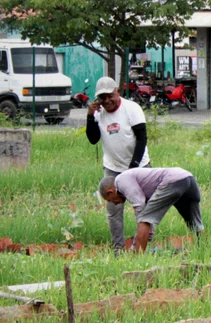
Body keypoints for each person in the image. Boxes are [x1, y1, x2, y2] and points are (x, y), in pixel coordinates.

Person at [86, 77, 150, 250]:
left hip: (139, 166)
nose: (107, 101)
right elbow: (93, 139)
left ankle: (145, 247)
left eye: (110, 95)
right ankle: (118, 250)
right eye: (102, 97)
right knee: (114, 212)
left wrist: (133, 168)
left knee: (143, 208)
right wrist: (90, 116)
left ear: (118, 92)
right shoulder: (99, 113)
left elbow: (142, 138)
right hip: (112, 169)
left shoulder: (132, 108)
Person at [98, 167, 203, 253]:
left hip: (172, 181)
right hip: (187, 177)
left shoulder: (121, 181)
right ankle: (203, 249)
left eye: (110, 200)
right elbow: (147, 206)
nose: (115, 203)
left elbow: (140, 206)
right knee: (196, 223)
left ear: (110, 192)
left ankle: (137, 259)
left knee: (144, 219)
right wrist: (149, 231)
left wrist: (135, 245)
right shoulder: (127, 178)